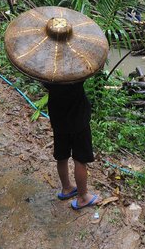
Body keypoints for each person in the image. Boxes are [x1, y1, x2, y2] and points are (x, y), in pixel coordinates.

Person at [44, 81, 100, 210]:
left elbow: (43, 80)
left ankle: (66, 188)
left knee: (62, 155)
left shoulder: (49, 72)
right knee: (80, 158)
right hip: (78, 118)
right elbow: (91, 68)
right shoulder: (75, 69)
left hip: (58, 116)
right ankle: (83, 197)